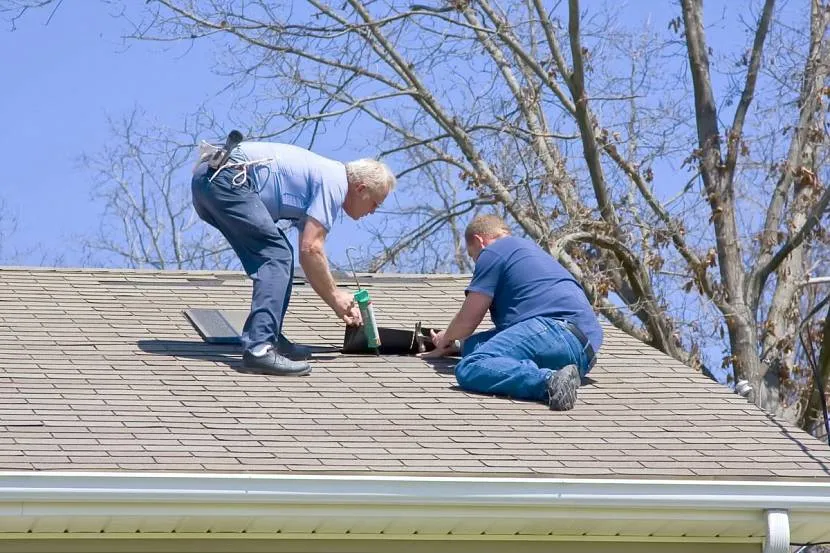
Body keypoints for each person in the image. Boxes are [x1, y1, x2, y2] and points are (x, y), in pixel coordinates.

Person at [192, 140, 395, 376]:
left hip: (208, 180)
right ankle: (260, 348)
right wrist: (335, 296)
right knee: (276, 256)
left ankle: (270, 336)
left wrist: (334, 299)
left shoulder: (323, 175)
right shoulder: (335, 182)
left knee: (280, 254)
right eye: (375, 203)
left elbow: (307, 253)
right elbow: (312, 248)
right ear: (360, 189)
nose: (372, 211)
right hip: (228, 179)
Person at [423, 215, 602, 410]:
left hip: (554, 330)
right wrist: (458, 345)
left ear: (479, 240)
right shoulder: (529, 252)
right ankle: (557, 376)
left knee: (471, 366)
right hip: (582, 355)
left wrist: (445, 338)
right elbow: (512, 336)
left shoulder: (493, 251)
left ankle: (549, 382)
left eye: (473, 256)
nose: (477, 262)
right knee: (473, 348)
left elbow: (468, 320)